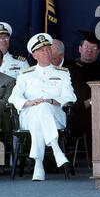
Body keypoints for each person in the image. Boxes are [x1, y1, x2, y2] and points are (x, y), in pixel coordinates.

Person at [8, 33, 77, 181]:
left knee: (44, 107)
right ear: (34, 55)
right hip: (29, 115)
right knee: (40, 109)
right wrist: (29, 103)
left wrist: (53, 101)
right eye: (41, 50)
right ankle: (56, 150)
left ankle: (38, 165)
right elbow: (14, 97)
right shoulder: (25, 74)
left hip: (55, 115)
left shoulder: (63, 73)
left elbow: (70, 97)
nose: (46, 52)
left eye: (48, 49)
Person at [67, 31, 100, 156]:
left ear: (98, 51)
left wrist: (92, 102)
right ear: (80, 49)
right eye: (87, 47)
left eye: (94, 48)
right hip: (72, 111)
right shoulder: (67, 68)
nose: (89, 50)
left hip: (97, 111)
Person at [0, 50, 16, 161]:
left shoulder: (10, 80)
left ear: (1, 62)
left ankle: (1, 162)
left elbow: (7, 101)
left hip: (2, 116)